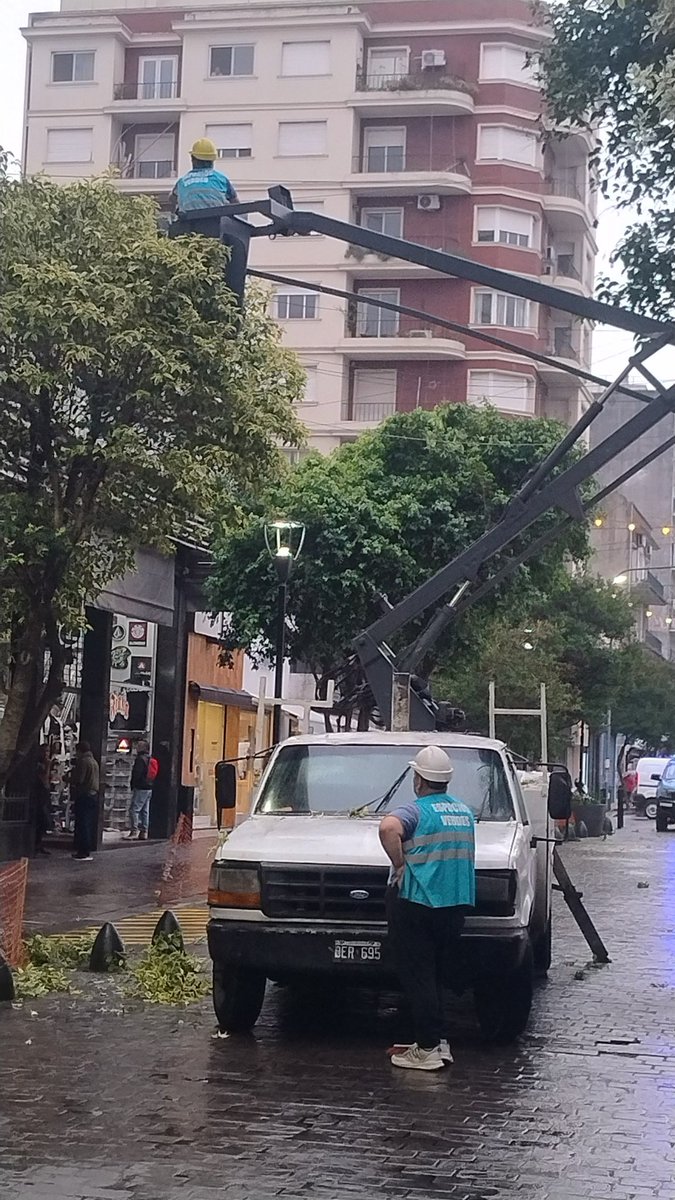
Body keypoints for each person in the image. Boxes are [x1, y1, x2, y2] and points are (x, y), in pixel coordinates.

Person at [379, 745, 476, 1072]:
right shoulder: (463, 812)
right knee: (435, 974)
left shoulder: (417, 810)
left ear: (419, 779)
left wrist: (399, 863)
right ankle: (437, 1039)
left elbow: (388, 828)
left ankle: (428, 1049)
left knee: (417, 974)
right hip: (453, 905)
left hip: (417, 901)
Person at [172, 138, 238, 214]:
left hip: (190, 223)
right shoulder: (221, 179)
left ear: (192, 159)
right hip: (217, 221)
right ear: (212, 160)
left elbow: (172, 199)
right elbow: (236, 204)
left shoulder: (182, 182)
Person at [71, 741, 100, 862]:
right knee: (87, 823)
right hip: (93, 795)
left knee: (83, 823)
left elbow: (80, 779)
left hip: (84, 795)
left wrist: (67, 778)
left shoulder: (83, 762)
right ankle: (85, 850)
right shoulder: (93, 761)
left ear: (79, 750)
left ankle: (83, 851)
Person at [127, 740, 153, 841]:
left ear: (143, 748)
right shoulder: (150, 758)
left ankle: (134, 831)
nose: (137, 747)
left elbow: (137, 774)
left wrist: (133, 784)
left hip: (141, 787)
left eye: (139, 746)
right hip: (149, 787)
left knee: (134, 809)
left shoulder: (140, 759)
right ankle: (144, 832)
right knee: (145, 810)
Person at [31, 744, 52, 857]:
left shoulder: (45, 763)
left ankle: (39, 843)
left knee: (43, 821)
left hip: (44, 794)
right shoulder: (38, 764)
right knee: (40, 819)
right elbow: (43, 779)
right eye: (44, 751)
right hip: (38, 795)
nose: (46, 754)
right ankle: (35, 844)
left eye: (47, 751)